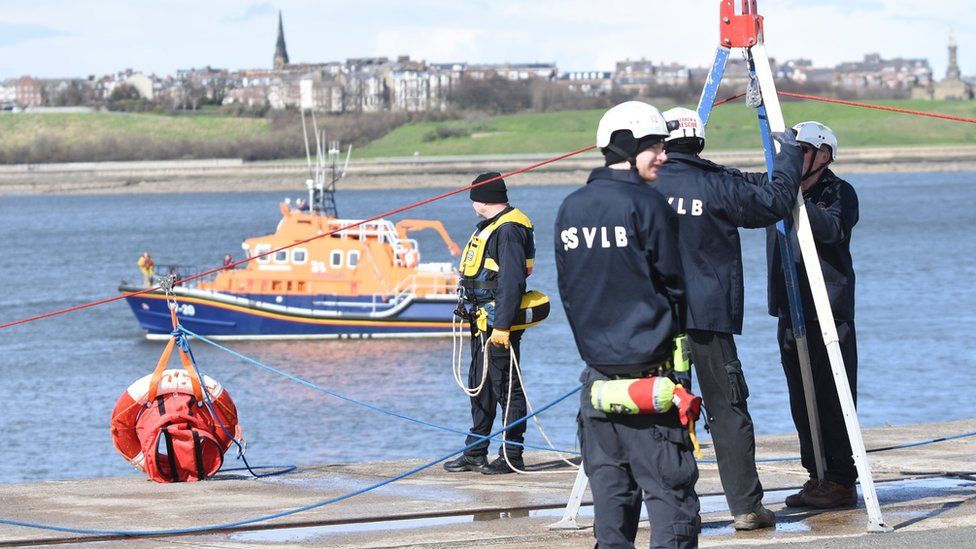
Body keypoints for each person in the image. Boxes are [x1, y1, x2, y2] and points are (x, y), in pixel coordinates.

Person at [555, 101, 699, 548]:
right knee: (672, 500)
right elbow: (675, 285)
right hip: (650, 384)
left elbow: (569, 291)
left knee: (612, 506)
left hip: (597, 386)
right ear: (626, 146)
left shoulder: (570, 208)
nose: (664, 155)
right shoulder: (647, 204)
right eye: (655, 146)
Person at [651, 108, 803, 530]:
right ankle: (746, 507)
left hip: (653, 320)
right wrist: (789, 157)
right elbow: (774, 203)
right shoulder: (716, 185)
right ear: (699, 140)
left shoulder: (642, 184)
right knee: (727, 409)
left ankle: (674, 511)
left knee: (660, 409)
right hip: (708, 317)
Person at [767, 121, 860, 509]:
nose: (790, 158)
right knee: (801, 399)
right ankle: (816, 473)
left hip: (829, 311)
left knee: (832, 397)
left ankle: (840, 478)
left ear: (822, 155)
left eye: (800, 151)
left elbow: (833, 229)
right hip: (791, 310)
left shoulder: (839, 192)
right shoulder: (780, 190)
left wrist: (796, 199)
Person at [443, 172, 535, 475]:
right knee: (479, 385)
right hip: (480, 321)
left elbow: (512, 282)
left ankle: (512, 455)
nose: (471, 204)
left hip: (498, 324)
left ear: (483, 199)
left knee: (507, 388)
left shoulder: (509, 230)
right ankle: (475, 451)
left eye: (473, 198)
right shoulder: (492, 227)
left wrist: (502, 328)